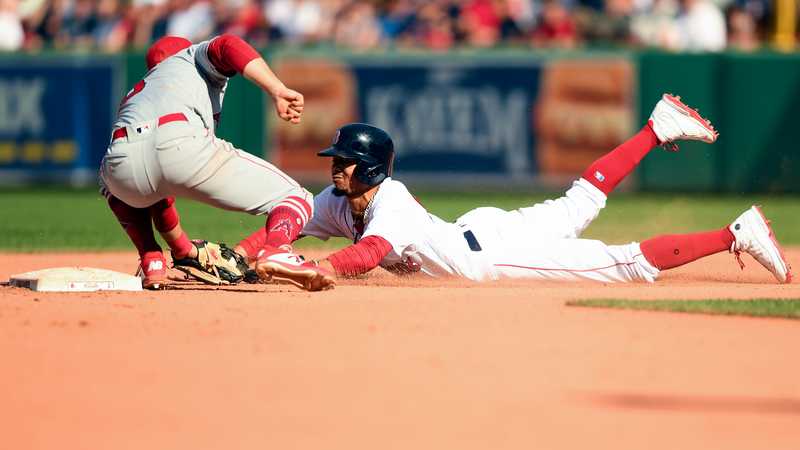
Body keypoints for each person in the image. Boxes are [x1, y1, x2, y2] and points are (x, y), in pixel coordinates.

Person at [298, 94, 792, 285]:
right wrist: (252, 252)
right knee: (578, 202)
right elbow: (294, 220)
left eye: (344, 163)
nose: (335, 170)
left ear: (366, 169)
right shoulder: (341, 200)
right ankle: (655, 129)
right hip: (477, 226)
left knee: (621, 263)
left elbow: (366, 255)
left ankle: (735, 234)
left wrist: (308, 267)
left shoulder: (390, 204)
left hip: (488, 256)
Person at [99, 34, 336, 291]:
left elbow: (159, 197)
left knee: (110, 182)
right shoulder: (190, 58)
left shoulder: (138, 91)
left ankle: (151, 260)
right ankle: (277, 250)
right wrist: (277, 90)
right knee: (296, 196)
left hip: (119, 164)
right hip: (178, 140)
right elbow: (227, 45)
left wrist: (184, 250)